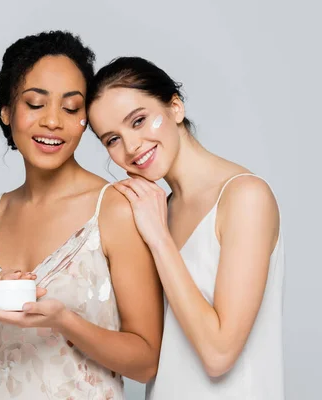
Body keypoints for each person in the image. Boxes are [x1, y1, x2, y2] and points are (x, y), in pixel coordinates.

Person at [0, 31, 163, 400]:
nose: (52, 121)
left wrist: (64, 321)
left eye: (71, 107)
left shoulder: (113, 208)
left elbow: (146, 362)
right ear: (6, 111)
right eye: (35, 103)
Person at [87, 56, 284, 399]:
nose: (131, 147)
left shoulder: (245, 197)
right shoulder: (158, 211)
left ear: (175, 107)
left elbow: (219, 354)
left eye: (139, 120)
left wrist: (159, 238)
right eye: (112, 139)